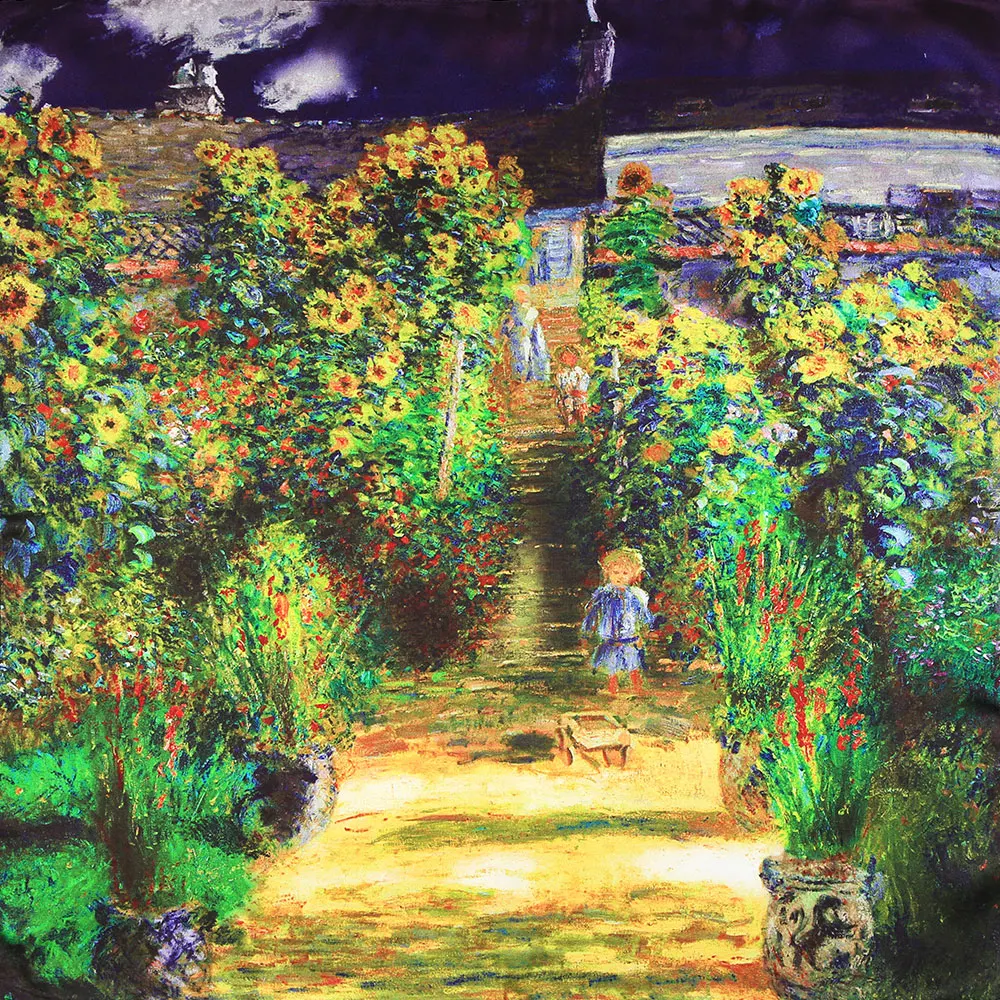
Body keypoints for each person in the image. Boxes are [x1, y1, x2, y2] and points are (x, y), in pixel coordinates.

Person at [581, 547, 655, 696]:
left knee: (633, 664)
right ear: (608, 573)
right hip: (610, 638)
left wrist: (646, 629)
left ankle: (637, 688)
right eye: (615, 572)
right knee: (611, 665)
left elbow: (642, 614)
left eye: (625, 573)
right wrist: (587, 631)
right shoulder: (604, 594)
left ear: (633, 575)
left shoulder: (635, 596)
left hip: (629, 637)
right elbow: (592, 613)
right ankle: (612, 689)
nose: (620, 577)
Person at [503, 286, 549, 382]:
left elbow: (535, 327)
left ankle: (535, 376)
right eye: (519, 294)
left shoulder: (532, 311)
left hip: (528, 336)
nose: (520, 296)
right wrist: (506, 332)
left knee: (533, 351)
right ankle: (520, 377)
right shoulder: (514, 310)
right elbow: (510, 324)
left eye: (522, 293)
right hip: (517, 337)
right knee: (520, 354)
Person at [555, 347, 591, 427]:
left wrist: (573, 392)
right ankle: (569, 422)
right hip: (567, 397)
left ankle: (580, 422)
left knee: (577, 404)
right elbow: (562, 388)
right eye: (563, 357)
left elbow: (583, 389)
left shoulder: (580, 372)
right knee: (565, 402)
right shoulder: (561, 373)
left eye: (568, 357)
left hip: (579, 397)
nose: (565, 359)